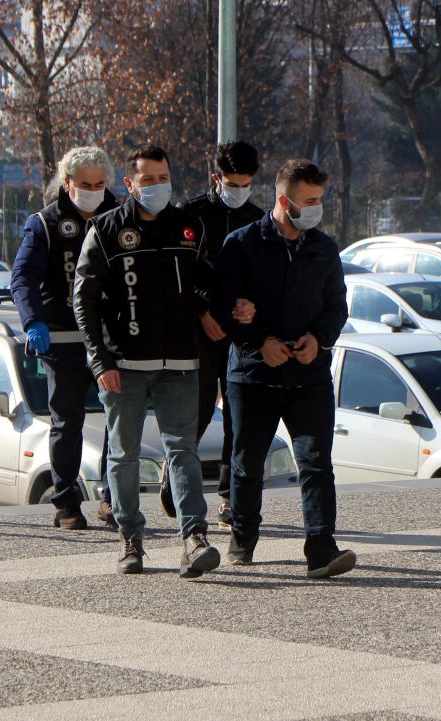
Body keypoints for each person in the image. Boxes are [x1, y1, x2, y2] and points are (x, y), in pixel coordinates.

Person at [73, 144, 220, 578]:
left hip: (180, 361)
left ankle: (194, 538)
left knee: (184, 451)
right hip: (124, 365)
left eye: (163, 177)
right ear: (130, 184)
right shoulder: (105, 229)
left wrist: (212, 309)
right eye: (148, 179)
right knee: (124, 455)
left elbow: (201, 283)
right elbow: (84, 299)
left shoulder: (188, 227)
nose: (158, 186)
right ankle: (129, 540)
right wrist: (101, 361)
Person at [210, 158, 356, 579]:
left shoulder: (323, 248)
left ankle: (321, 549)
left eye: (319, 200)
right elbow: (224, 305)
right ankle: (243, 538)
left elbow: (336, 306)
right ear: (283, 200)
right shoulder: (242, 244)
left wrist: (319, 339)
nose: (315, 208)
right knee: (247, 463)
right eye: (309, 200)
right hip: (253, 375)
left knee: (315, 463)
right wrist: (259, 342)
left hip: (307, 376)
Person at [11, 146, 118, 530]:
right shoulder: (45, 224)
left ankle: (113, 499)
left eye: (100, 184)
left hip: (110, 339)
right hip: (64, 338)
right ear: (68, 183)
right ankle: (67, 502)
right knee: (67, 423)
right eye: (85, 184)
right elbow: (22, 277)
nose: (93, 191)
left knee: (119, 420)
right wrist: (32, 321)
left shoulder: (119, 218)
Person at [176, 140, 264, 526]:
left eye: (245, 183)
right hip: (197, 331)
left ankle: (228, 497)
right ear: (216, 178)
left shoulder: (259, 220)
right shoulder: (190, 215)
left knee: (237, 417)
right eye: (232, 183)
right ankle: (178, 482)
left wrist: (252, 305)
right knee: (193, 416)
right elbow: (179, 272)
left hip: (239, 335)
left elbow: (262, 276)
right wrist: (203, 312)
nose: (238, 191)